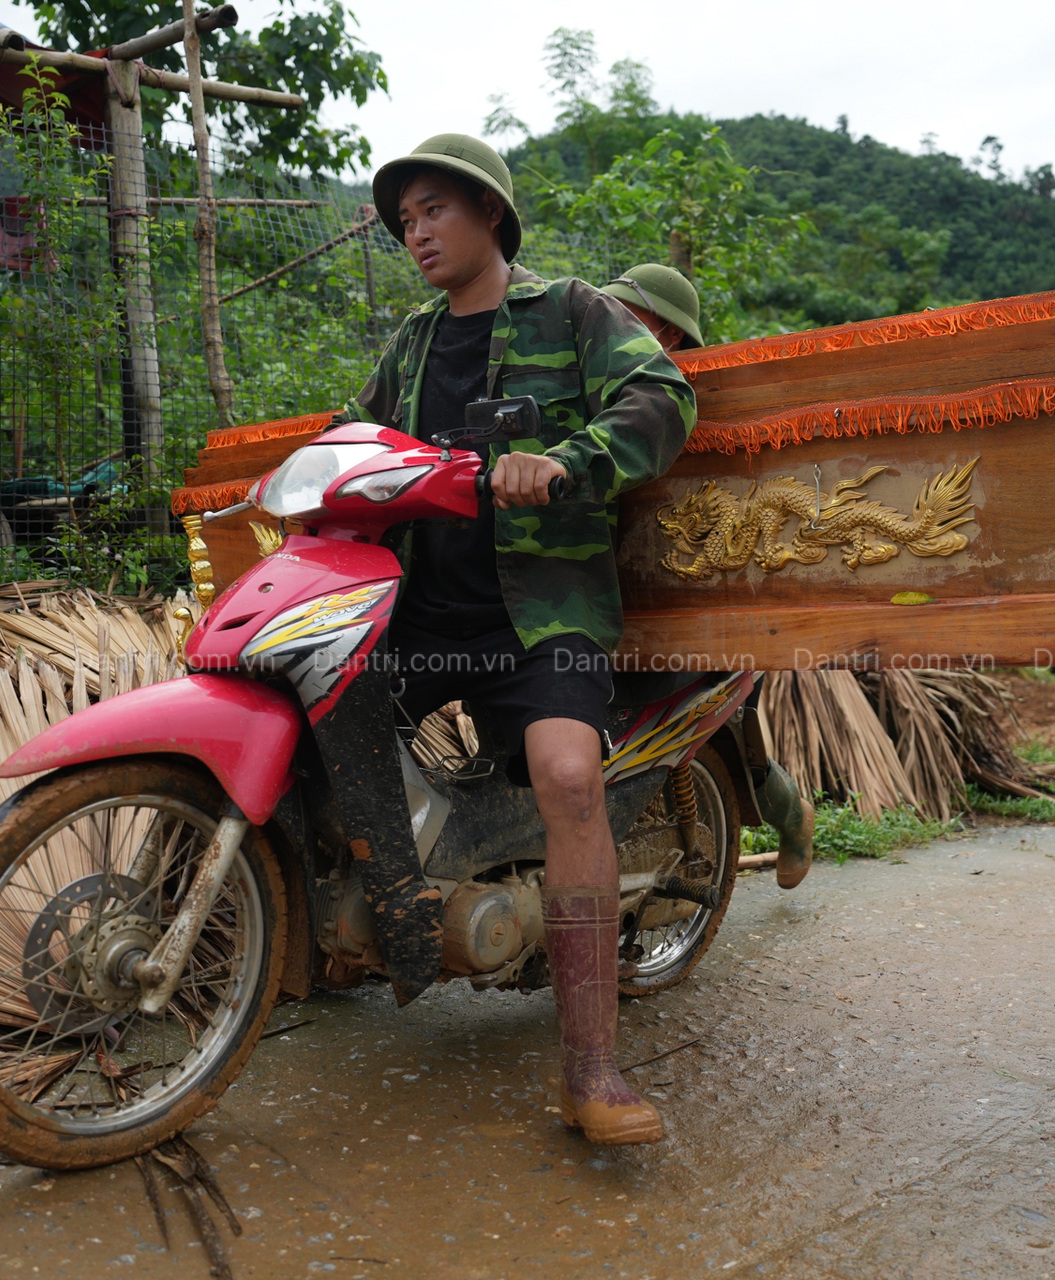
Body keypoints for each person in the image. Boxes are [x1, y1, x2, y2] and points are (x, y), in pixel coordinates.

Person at [344, 135, 694, 1144]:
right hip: (422, 615)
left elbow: (664, 396)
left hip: (543, 613)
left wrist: (570, 459)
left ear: (490, 212)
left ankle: (592, 1068)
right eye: (405, 218)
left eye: (433, 211)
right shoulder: (408, 344)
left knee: (567, 772)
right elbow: (355, 434)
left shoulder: (574, 310)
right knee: (319, 722)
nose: (416, 232)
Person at [599, 263, 819, 890]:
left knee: (730, 740)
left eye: (625, 317)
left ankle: (792, 816)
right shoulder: (587, 380)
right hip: (600, 600)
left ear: (666, 333)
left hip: (698, 604)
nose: (605, 327)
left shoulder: (694, 396)